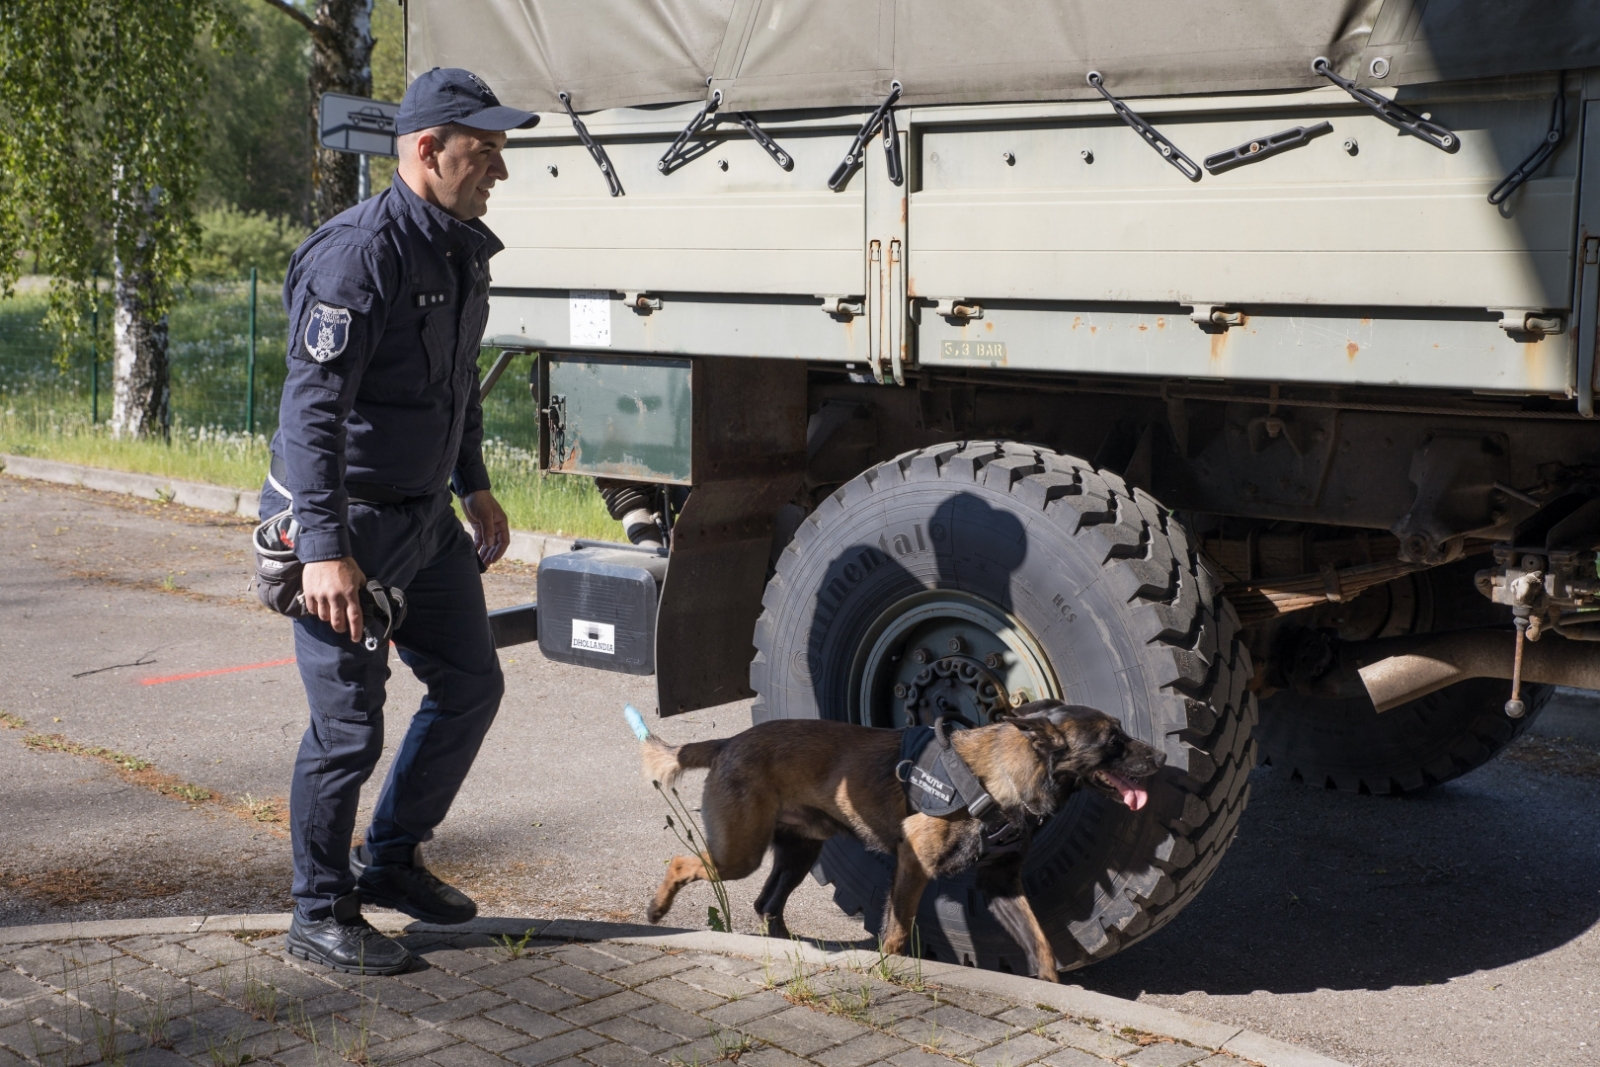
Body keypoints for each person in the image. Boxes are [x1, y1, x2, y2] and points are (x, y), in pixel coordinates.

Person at [259, 68, 537, 975]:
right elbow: (313, 412)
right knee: (348, 728)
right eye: (484, 151)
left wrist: (476, 484)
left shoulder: (457, 247)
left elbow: (452, 387)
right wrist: (325, 551)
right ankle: (318, 907)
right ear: (428, 150)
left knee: (470, 684)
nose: (498, 169)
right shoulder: (358, 254)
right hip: (346, 525)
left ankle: (391, 859)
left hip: (424, 522)